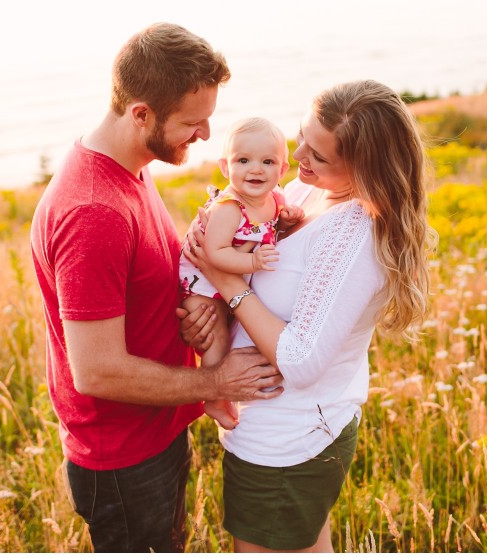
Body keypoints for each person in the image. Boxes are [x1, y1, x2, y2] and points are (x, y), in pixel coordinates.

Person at [30, 23, 284, 553]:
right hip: (124, 458)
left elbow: (142, 281)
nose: (208, 136)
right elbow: (96, 370)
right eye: (193, 123)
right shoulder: (92, 211)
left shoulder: (131, 167)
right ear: (140, 114)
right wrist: (215, 381)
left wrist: (191, 310)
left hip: (156, 430)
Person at [183, 79, 434, 552]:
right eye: (303, 137)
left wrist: (227, 282)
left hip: (289, 442)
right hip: (282, 430)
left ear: (363, 169)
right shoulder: (305, 192)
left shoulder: (356, 234)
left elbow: (300, 359)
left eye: (318, 156)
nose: (298, 157)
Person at [177, 117, 303, 430]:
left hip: (229, 281)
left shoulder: (274, 200)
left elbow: (268, 230)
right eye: (243, 160)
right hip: (201, 285)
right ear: (225, 166)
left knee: (230, 329)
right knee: (216, 336)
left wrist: (287, 221)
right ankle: (215, 396)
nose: (256, 169)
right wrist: (254, 264)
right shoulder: (229, 208)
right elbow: (215, 254)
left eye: (268, 161)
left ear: (282, 170)